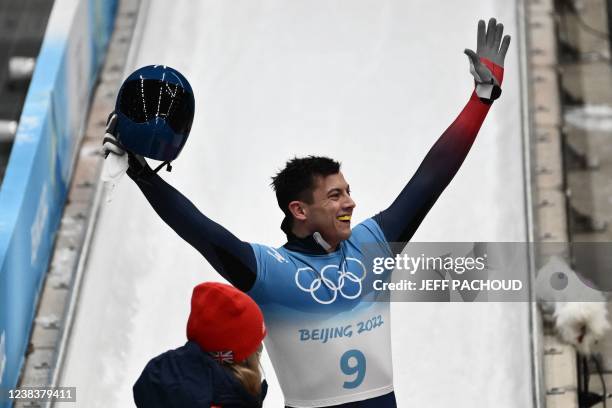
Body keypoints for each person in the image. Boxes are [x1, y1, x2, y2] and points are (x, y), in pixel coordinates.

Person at [106, 18, 510, 408]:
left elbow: (431, 177)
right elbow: (202, 232)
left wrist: (481, 99)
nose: (350, 202)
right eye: (335, 195)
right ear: (299, 209)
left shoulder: (373, 246)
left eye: (348, 192)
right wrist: (142, 175)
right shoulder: (271, 273)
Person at [133, 282, 268, 407]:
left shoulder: (165, 381)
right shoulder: (228, 400)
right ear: (240, 361)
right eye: (256, 347)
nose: (260, 351)